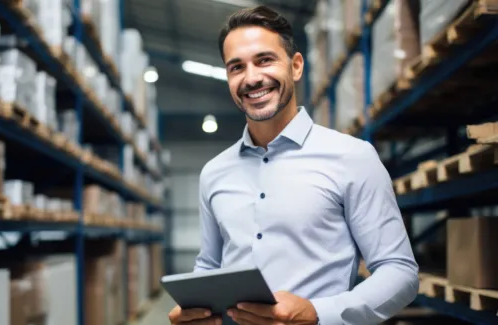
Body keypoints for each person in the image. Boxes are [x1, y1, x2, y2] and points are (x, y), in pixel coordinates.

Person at [168, 5, 419, 325]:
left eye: (265, 60)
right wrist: (195, 311)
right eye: (236, 67)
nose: (252, 78)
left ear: (296, 66)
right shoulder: (214, 173)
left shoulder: (352, 158)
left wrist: (317, 313)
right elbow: (209, 265)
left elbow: (400, 272)